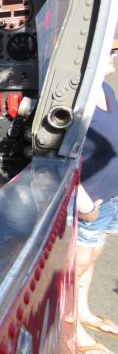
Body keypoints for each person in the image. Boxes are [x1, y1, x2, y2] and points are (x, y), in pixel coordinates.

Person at [75, 40, 118, 354]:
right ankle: (71, 328)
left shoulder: (106, 89)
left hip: (111, 195)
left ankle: (83, 311)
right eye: (110, 50)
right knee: (78, 263)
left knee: (93, 256)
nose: (114, 56)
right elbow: (57, 158)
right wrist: (86, 206)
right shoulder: (75, 99)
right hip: (92, 200)